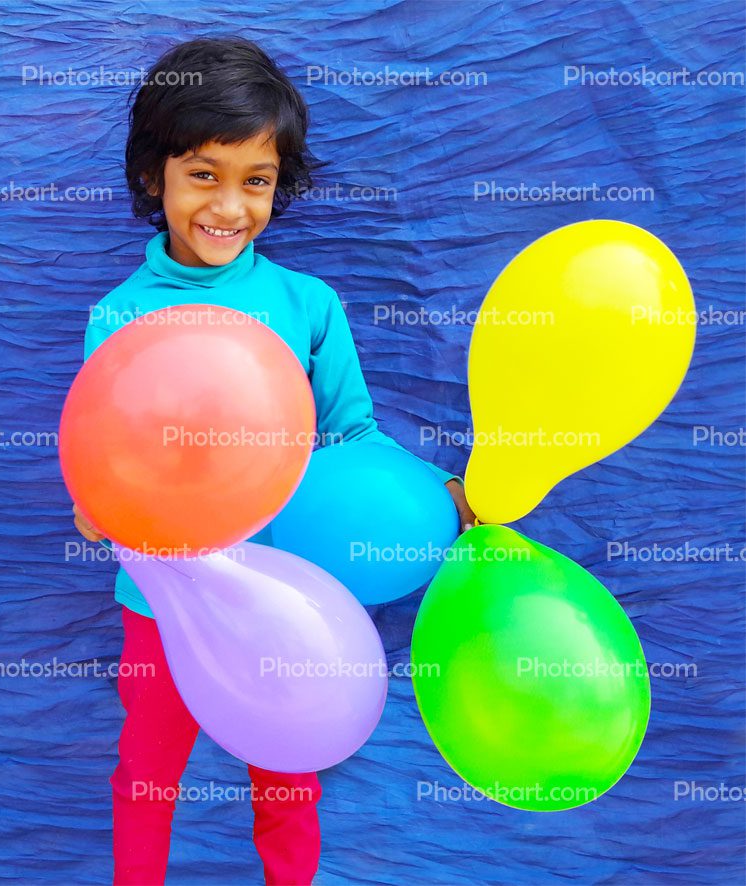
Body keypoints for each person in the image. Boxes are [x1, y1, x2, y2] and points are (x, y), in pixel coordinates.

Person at [72, 35, 476, 886]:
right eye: (203, 175)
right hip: (159, 598)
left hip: (286, 592)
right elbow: (102, 454)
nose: (229, 205)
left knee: (288, 778)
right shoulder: (119, 319)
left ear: (278, 186)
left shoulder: (308, 305)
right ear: (156, 177)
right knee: (147, 778)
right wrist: (92, 502)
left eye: (255, 181)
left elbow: (353, 436)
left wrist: (432, 493)